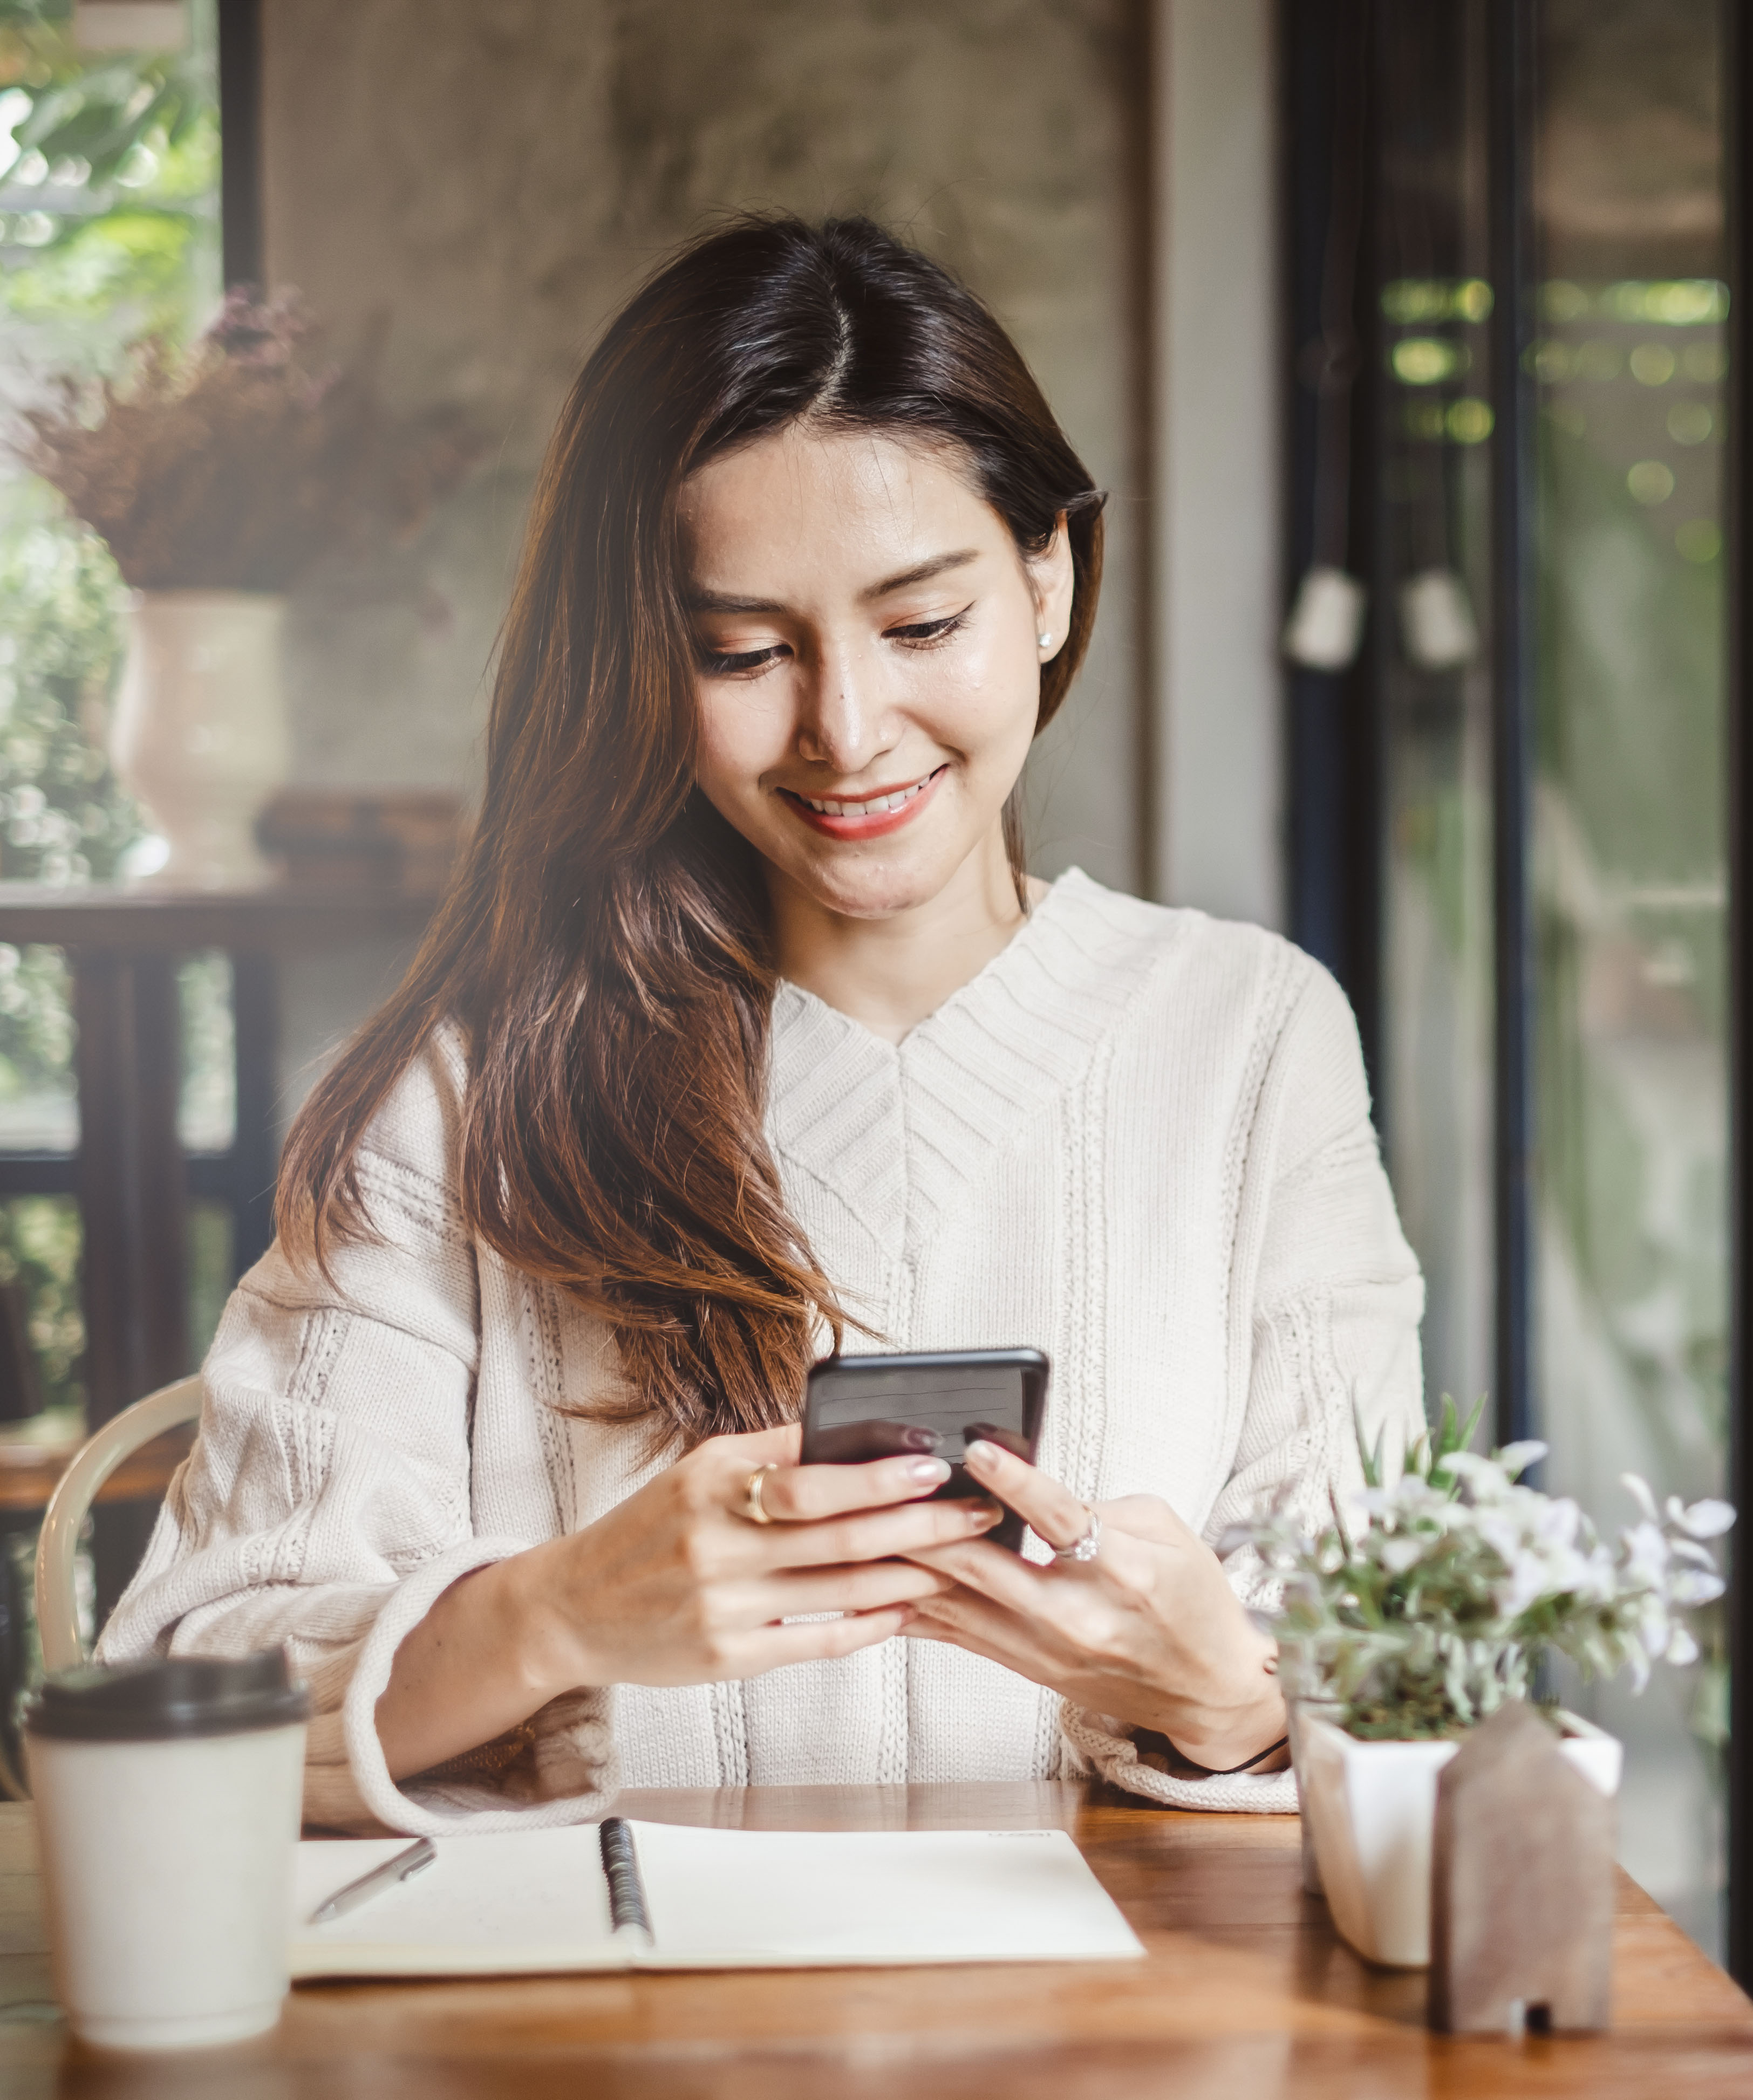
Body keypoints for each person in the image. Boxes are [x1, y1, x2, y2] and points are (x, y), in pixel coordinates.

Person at [100, 217, 1424, 1835]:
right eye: (741, 650)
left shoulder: (1249, 1039)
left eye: (921, 626)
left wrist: (1225, 1701)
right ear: (641, 661)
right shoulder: (470, 1090)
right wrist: (552, 1617)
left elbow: (1410, 1677)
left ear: (1049, 578)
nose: (846, 731)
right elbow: (174, 1687)